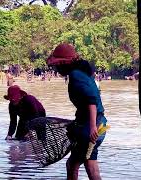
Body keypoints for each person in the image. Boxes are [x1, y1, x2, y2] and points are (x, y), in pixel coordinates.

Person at [47, 43, 107, 180]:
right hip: (98, 124)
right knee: (87, 164)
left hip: (92, 126)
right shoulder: (82, 73)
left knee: (74, 164)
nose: (56, 68)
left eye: (57, 65)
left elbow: (91, 100)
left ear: (64, 63)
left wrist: (92, 127)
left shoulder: (76, 75)